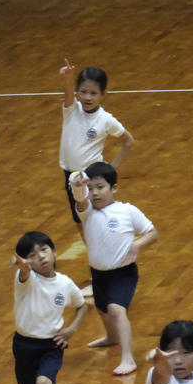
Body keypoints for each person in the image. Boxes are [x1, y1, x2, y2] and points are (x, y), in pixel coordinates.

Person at [69, 163, 159, 375]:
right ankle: (112, 337)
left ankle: (128, 358)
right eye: (90, 188)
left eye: (100, 187)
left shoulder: (127, 211)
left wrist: (137, 245)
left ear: (114, 188)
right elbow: (80, 199)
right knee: (102, 309)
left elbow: (153, 233)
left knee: (116, 311)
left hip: (123, 274)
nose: (95, 193)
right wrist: (77, 185)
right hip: (98, 274)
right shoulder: (87, 213)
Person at [11, 232, 87, 384]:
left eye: (44, 250)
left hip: (52, 345)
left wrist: (71, 329)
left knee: (43, 383)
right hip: (24, 345)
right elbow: (24, 272)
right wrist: (22, 266)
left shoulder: (65, 283)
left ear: (54, 252)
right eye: (32, 255)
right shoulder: (26, 280)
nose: (41, 257)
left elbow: (81, 306)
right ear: (27, 262)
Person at [59, 61, 134, 246]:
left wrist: (112, 167)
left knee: (98, 218)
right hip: (71, 177)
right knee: (80, 222)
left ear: (103, 94)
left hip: (91, 177)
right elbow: (68, 95)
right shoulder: (71, 110)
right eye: (83, 91)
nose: (87, 97)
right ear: (77, 92)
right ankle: (97, 259)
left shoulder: (106, 119)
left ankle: (114, 249)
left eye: (93, 93)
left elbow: (128, 140)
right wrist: (68, 78)